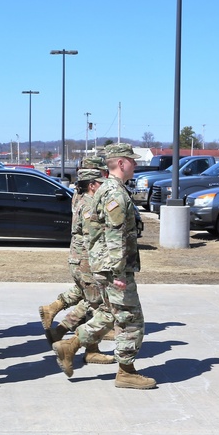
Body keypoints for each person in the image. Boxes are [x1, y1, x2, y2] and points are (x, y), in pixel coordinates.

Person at [51, 143, 156, 389]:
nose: (136, 164)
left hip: (103, 266)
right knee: (131, 320)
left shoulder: (106, 190)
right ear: (121, 163)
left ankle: (70, 345)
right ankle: (126, 372)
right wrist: (118, 272)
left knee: (110, 314)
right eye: (132, 160)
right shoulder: (115, 193)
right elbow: (114, 235)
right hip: (114, 269)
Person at [37, 156, 114, 363]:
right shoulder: (88, 203)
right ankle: (90, 350)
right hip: (86, 259)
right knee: (95, 303)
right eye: (99, 179)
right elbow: (93, 237)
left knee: (88, 297)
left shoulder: (79, 196)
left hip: (79, 257)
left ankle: (59, 328)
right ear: (91, 183)